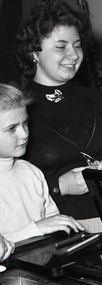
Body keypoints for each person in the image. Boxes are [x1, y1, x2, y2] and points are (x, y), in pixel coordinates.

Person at [15, 1, 102, 228]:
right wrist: (59, 186)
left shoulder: (100, 99)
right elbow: (9, 186)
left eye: (78, 45)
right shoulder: (17, 109)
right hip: (64, 227)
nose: (74, 55)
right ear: (34, 52)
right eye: (61, 47)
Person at [0, 83, 83, 243]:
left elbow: (52, 221)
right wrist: (35, 229)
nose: (24, 134)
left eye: (25, 123)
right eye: (12, 129)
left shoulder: (30, 171)